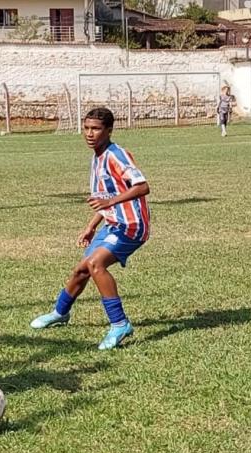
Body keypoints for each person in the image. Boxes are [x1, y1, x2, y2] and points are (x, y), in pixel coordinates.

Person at [30, 107, 150, 350]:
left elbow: (142, 187)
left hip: (131, 226)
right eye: (86, 128)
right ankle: (60, 313)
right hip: (112, 224)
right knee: (81, 271)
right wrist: (91, 226)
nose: (89, 133)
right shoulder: (97, 157)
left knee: (96, 265)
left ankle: (119, 324)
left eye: (95, 129)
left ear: (109, 130)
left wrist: (110, 202)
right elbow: (105, 196)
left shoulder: (117, 155)